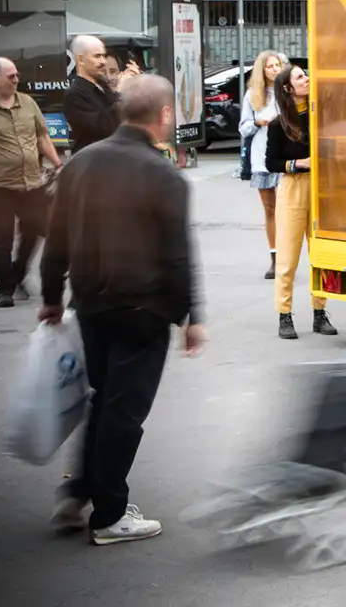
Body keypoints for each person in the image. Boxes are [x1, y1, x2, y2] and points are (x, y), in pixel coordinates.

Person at [41, 74, 206, 545]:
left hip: (91, 303)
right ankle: (110, 514)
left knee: (105, 398)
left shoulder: (81, 164)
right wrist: (193, 315)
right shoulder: (163, 173)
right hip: (143, 307)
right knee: (123, 411)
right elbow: (178, 252)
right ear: (164, 115)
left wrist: (52, 296)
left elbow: (56, 238)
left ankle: (79, 493)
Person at [0, 58, 62, 308]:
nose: (16, 80)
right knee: (1, 238)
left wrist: (58, 165)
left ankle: (16, 274)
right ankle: (3, 289)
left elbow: (42, 137)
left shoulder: (28, 103)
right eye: (10, 76)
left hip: (30, 182)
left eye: (17, 75)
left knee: (39, 227)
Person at [266, 63, 336, 337]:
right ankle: (285, 316)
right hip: (293, 189)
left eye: (305, 75)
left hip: (322, 188)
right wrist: (298, 163)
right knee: (288, 258)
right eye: (300, 77)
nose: (307, 79)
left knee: (322, 253)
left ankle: (320, 312)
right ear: (288, 88)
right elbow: (271, 162)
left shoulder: (321, 116)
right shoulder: (278, 123)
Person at [238, 50, 287, 279]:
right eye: (270, 66)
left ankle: (290, 256)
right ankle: (275, 258)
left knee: (290, 209)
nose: (275, 69)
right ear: (262, 70)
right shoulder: (252, 95)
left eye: (277, 65)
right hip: (262, 156)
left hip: (287, 156)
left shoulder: (288, 91)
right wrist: (258, 121)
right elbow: (243, 127)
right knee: (270, 209)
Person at [64, 35, 139, 154]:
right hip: (93, 163)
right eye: (97, 56)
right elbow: (104, 128)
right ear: (81, 60)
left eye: (103, 56)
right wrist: (119, 90)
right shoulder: (74, 95)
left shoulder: (103, 86)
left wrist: (134, 85)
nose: (103, 61)